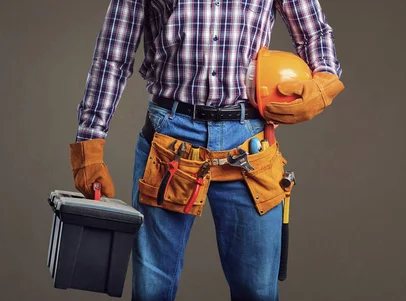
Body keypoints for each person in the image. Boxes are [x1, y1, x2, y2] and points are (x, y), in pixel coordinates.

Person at [67, 0, 344, 300]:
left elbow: (313, 32)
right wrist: (90, 144)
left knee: (258, 291)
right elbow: (113, 54)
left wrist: (324, 79)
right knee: (151, 291)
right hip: (169, 140)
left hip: (247, 144)